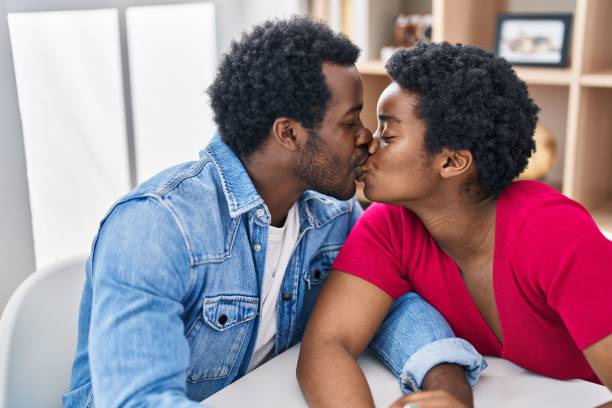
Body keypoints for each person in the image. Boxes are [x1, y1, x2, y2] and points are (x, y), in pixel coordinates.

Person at [63, 19, 485, 407]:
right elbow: (139, 402)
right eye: (350, 122)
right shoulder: (156, 228)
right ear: (289, 133)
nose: (368, 139)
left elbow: (386, 302)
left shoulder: (333, 214)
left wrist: (444, 379)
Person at [297, 42, 612, 408]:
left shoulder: (553, 233)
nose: (368, 142)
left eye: (389, 133)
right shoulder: (389, 226)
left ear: (451, 162)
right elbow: (328, 343)